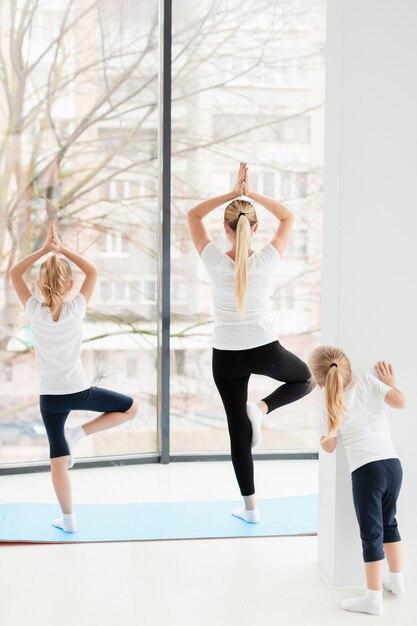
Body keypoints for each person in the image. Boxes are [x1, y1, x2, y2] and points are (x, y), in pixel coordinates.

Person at [187, 162, 312, 523]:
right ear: (255, 228)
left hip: (225, 356)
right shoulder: (267, 259)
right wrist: (250, 194)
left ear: (225, 229)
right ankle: (262, 408)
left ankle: (250, 509)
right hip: (264, 348)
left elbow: (193, 215)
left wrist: (233, 193)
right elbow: (287, 218)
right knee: (305, 379)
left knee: (236, 431)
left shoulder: (212, 259)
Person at [9, 222, 139, 532]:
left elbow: (14, 273)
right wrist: (61, 248)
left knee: (58, 460)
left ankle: (68, 520)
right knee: (131, 408)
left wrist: (43, 250)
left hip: (50, 398)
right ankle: (79, 433)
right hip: (79, 391)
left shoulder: (34, 311)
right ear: (69, 286)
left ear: (40, 285)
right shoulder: (76, 308)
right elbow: (92, 271)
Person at [309, 346, 405, 615]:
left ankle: (373, 599)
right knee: (389, 523)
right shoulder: (366, 381)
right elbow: (400, 402)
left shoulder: (330, 402)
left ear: (319, 382)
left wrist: (326, 426)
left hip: (366, 472)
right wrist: (391, 385)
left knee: (371, 534)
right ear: (347, 366)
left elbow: (329, 448)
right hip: (393, 465)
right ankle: (397, 581)